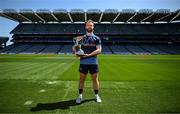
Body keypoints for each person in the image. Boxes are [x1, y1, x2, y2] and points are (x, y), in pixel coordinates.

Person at [72, 19, 102, 104]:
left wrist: (88, 55)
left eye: (91, 25)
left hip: (93, 62)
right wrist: (75, 51)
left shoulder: (97, 38)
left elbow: (99, 50)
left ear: (93, 27)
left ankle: (96, 95)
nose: (90, 27)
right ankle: (80, 95)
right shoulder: (81, 38)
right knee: (82, 79)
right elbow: (75, 48)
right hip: (83, 62)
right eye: (88, 25)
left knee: (95, 79)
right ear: (85, 27)